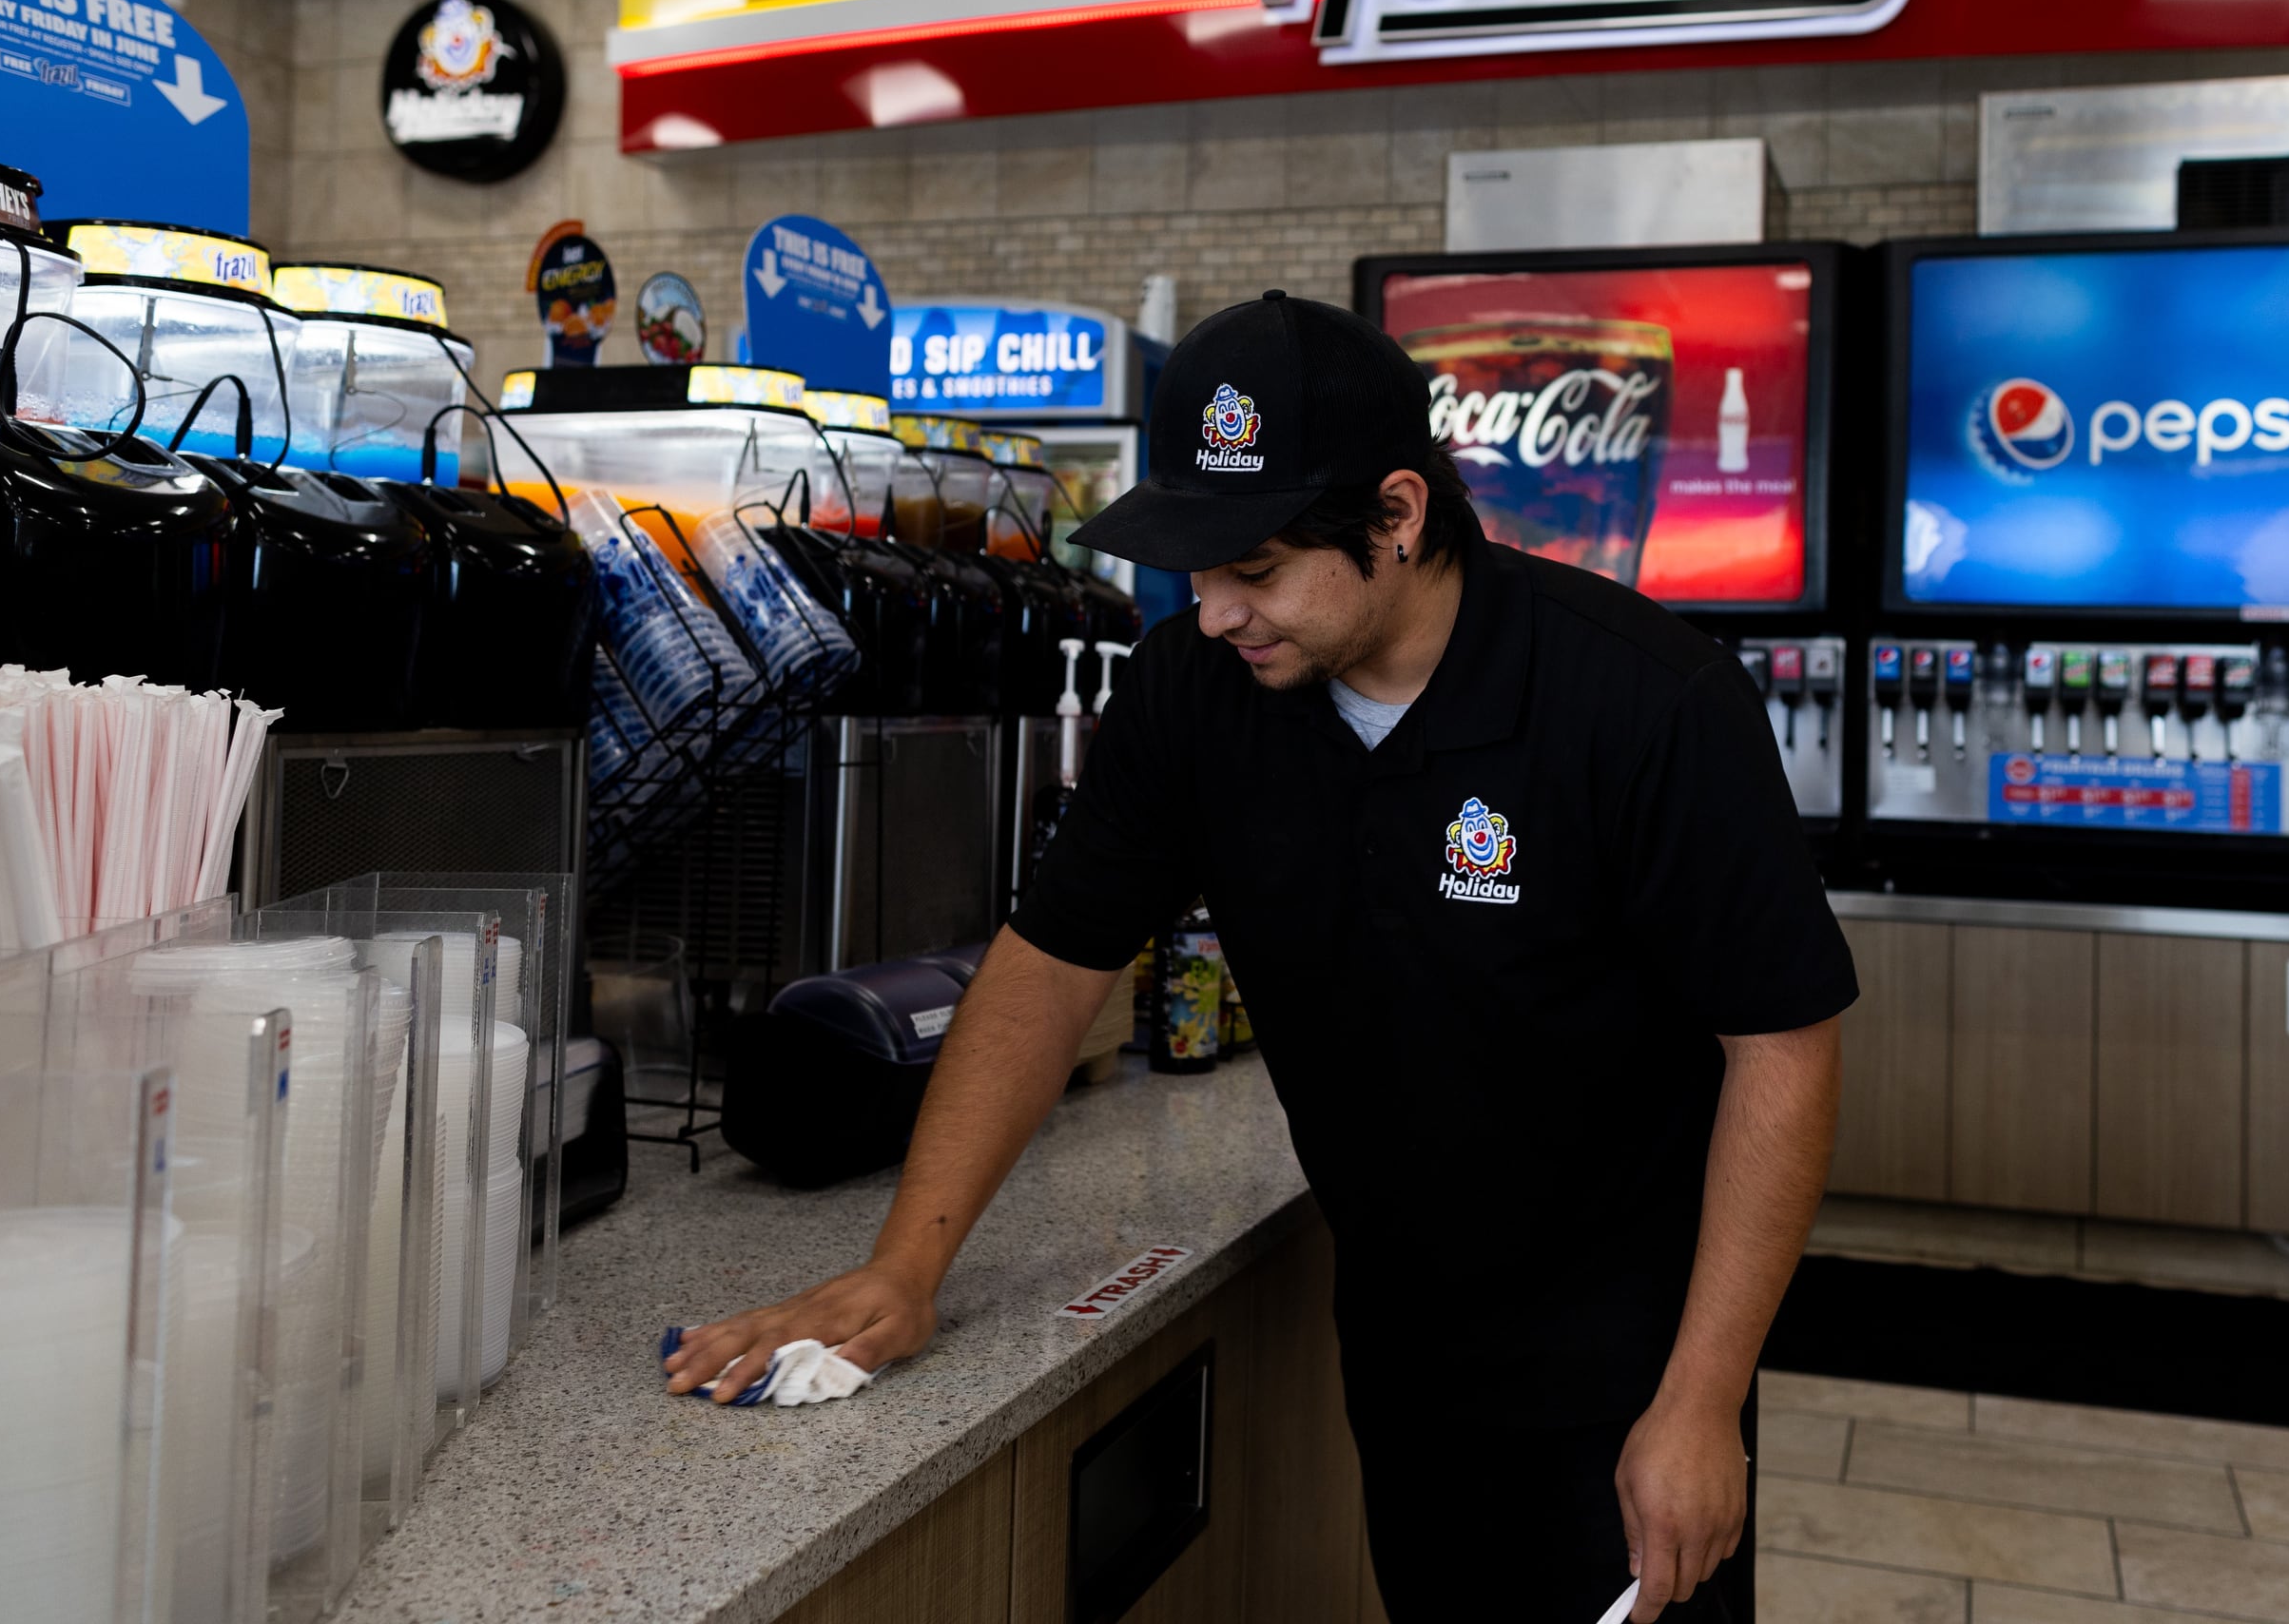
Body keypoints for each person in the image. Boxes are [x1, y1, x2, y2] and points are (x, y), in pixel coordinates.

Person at [665, 291, 1854, 1621]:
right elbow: (1050, 967)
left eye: (1259, 568)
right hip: (1400, 1335)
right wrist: (905, 1268)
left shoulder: (1642, 701)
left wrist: (1700, 1405)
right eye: (1195, 569)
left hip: (1628, 1352)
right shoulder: (1192, 693)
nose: (1218, 613)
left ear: (1397, 519)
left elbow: (1782, 1044)